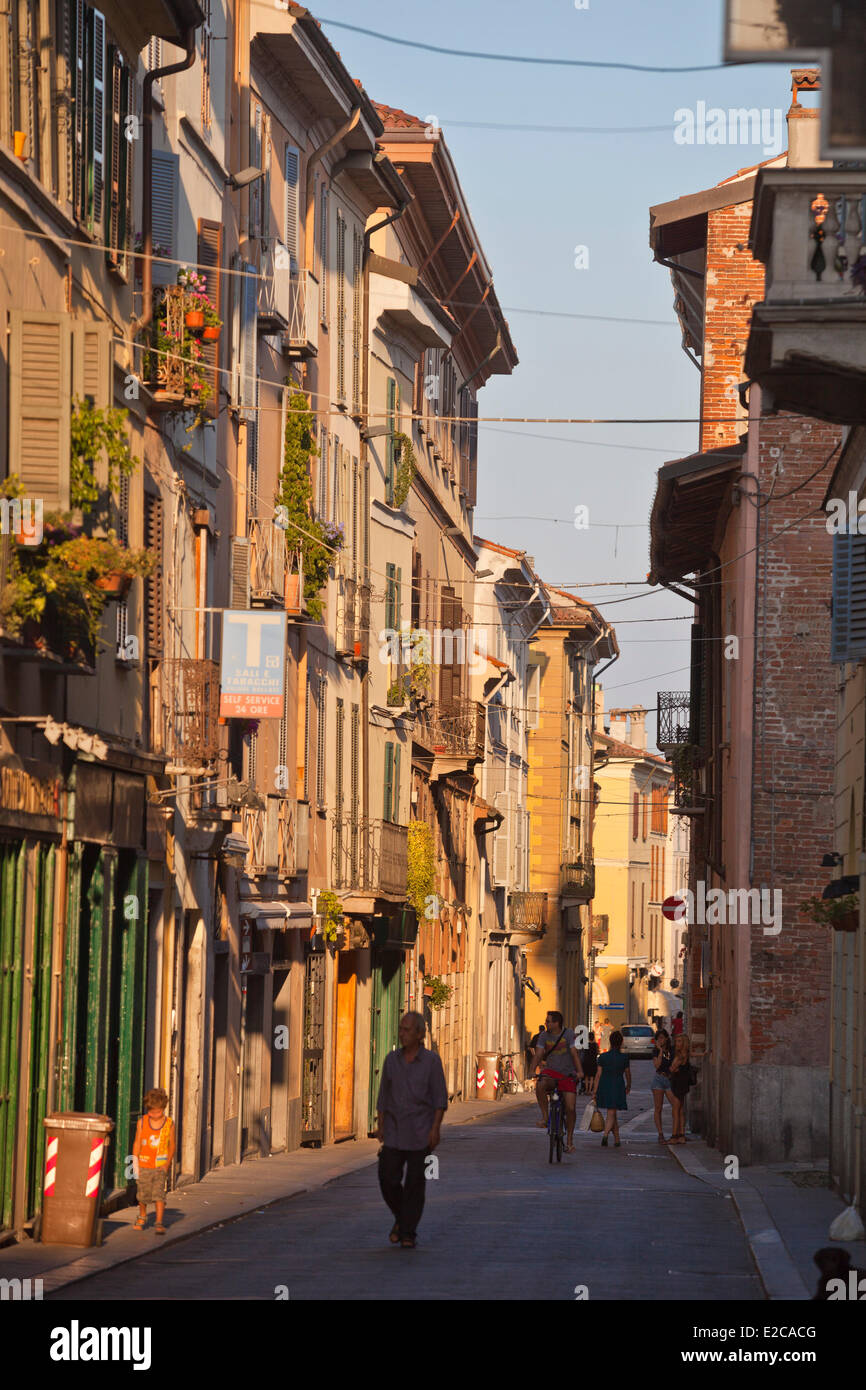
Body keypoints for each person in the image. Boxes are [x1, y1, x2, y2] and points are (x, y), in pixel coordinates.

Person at [375, 1011, 448, 1249]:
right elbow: (383, 1095)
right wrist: (381, 1123)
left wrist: (435, 1129)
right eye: (401, 1029)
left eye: (407, 1030)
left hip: (420, 1132)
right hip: (395, 1131)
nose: (402, 1034)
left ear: (419, 1034)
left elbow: (439, 1099)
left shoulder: (431, 1062)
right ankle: (402, 1219)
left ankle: (408, 1233)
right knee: (387, 1177)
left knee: (415, 1184)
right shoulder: (391, 1060)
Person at [531, 1010, 585, 1154]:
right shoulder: (543, 1036)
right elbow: (538, 1055)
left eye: (548, 1021)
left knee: (571, 1108)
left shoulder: (568, 1034)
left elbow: (574, 1054)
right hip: (551, 1073)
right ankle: (545, 1117)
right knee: (540, 1084)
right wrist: (531, 1071)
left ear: (556, 1023)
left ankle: (569, 1142)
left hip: (567, 1074)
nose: (546, 1023)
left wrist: (580, 1072)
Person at [132, 1087, 175, 1234]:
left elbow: (172, 1145)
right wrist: (134, 1162)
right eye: (151, 1112)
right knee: (142, 1194)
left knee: (159, 1194)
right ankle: (143, 1215)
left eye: (158, 1111)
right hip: (143, 1164)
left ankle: (159, 1221)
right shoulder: (142, 1122)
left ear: (163, 1108)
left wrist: (167, 1165)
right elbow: (137, 1142)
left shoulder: (169, 1124)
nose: (155, 1115)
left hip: (160, 1166)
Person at [591, 1029, 630, 1147]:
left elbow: (598, 1075)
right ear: (621, 1042)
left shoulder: (602, 1057)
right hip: (617, 1084)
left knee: (612, 1112)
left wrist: (594, 1091)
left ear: (610, 1041)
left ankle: (617, 1139)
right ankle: (605, 1135)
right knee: (612, 1112)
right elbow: (628, 1073)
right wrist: (629, 1085)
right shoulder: (624, 1058)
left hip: (604, 1084)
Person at [669, 1033, 695, 1143]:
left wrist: (673, 1070)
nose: (676, 1043)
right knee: (680, 1111)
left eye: (679, 1041)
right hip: (683, 1085)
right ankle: (682, 1135)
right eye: (676, 1041)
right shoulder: (686, 1055)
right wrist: (704, 1053)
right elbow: (695, 1054)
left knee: (675, 1111)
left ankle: (674, 1136)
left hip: (677, 1085)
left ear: (683, 1043)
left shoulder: (679, 1056)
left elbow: (671, 1069)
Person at [651, 1028, 674, 1141]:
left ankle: (677, 1132)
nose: (660, 1040)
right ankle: (660, 1134)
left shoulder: (672, 1050)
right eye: (658, 1038)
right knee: (658, 1108)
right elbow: (657, 1066)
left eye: (662, 1038)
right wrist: (660, 1051)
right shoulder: (655, 1051)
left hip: (670, 1079)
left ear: (666, 1038)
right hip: (659, 1079)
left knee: (675, 1105)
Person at [578, 1030, 599, 1095]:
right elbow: (597, 1053)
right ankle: (590, 1090)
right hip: (593, 1062)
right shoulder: (595, 1045)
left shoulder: (586, 1045)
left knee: (586, 1077)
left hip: (586, 1062)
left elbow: (583, 1052)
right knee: (592, 1077)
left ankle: (586, 1090)